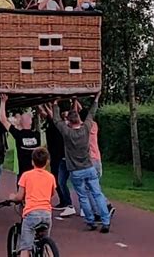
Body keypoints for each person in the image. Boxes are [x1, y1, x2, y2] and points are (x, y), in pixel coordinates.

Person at [53, 96, 112, 233]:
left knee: (83, 196)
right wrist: (96, 99)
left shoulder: (67, 132)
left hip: (75, 170)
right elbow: (92, 113)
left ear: (68, 121)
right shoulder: (86, 129)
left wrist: (55, 104)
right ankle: (105, 220)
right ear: (79, 119)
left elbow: (56, 120)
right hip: (89, 166)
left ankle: (90, 221)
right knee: (97, 193)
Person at [9, 147, 56, 257]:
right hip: (46, 214)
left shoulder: (26, 175)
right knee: (45, 243)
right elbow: (51, 193)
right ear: (47, 162)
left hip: (32, 213)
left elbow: (20, 196)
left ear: (32, 161)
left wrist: (12, 197)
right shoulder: (51, 177)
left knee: (25, 247)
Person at [38, 103, 75, 217]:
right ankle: (64, 201)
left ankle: (67, 202)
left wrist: (46, 104)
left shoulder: (59, 124)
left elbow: (51, 115)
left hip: (59, 156)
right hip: (54, 155)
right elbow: (47, 114)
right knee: (58, 180)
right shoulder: (52, 123)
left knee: (60, 181)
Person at [0, 94, 41, 183]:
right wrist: (3, 102)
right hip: (26, 174)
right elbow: (3, 120)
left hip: (32, 174)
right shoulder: (21, 134)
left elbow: (3, 120)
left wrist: (3, 102)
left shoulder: (33, 134)